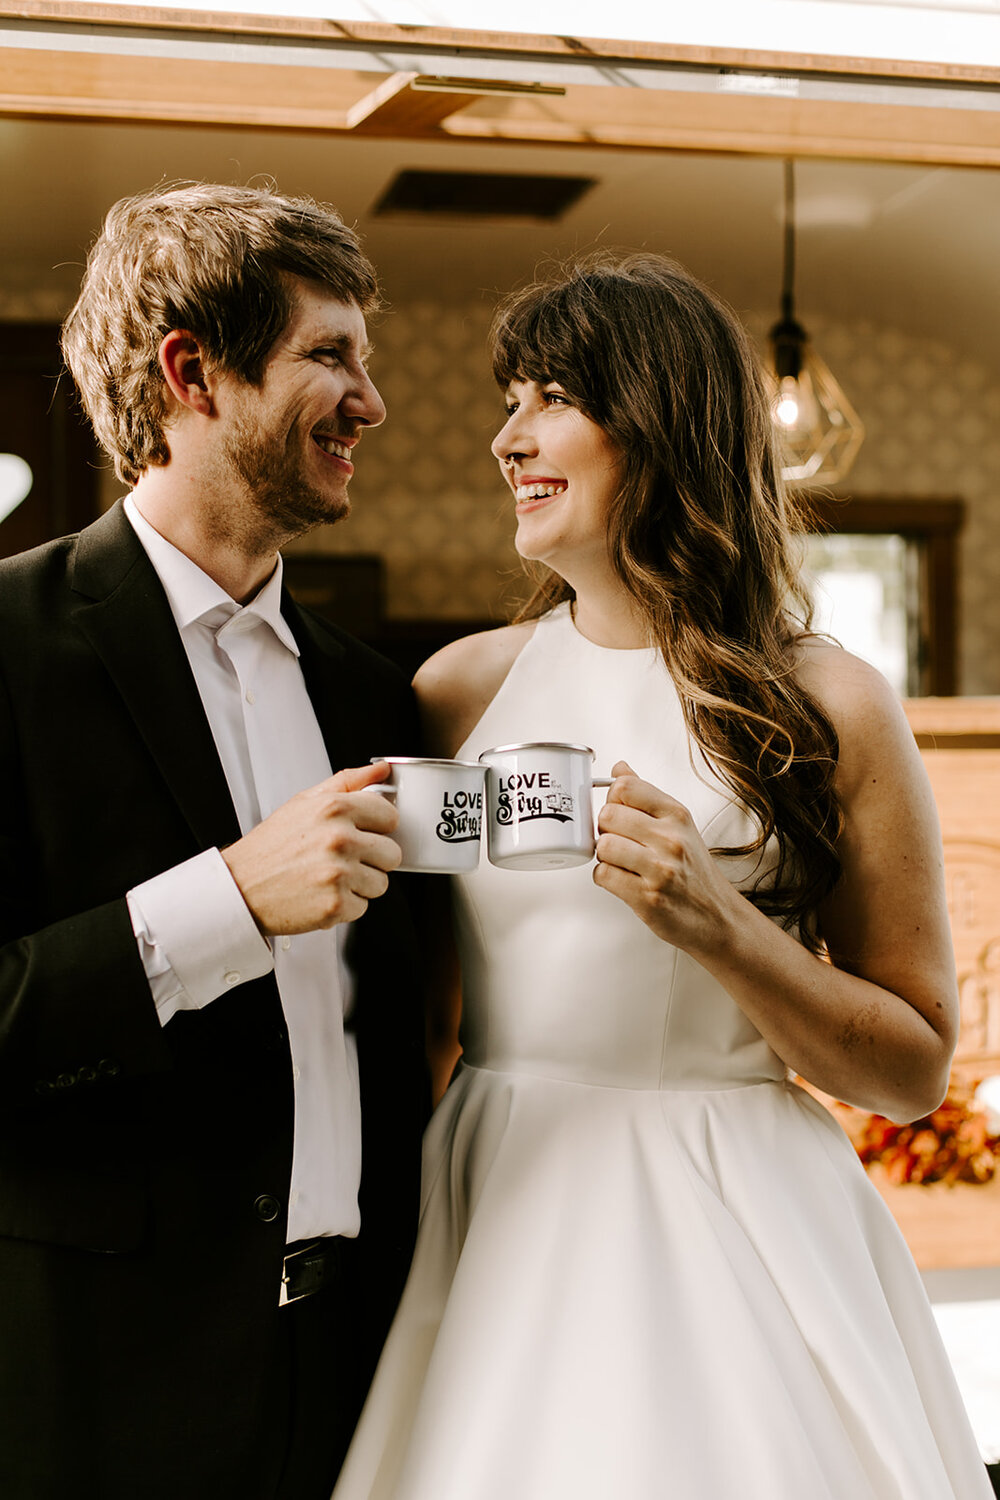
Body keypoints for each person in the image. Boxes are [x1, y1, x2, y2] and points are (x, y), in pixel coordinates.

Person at [331, 251, 992, 1499]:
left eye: (547, 399)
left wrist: (717, 924)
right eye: (506, 400)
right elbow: (419, 1017)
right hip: (500, 1200)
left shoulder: (830, 702)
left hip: (734, 1215)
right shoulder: (456, 692)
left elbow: (911, 1068)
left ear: (659, 425)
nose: (504, 437)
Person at [0, 182, 429, 1500]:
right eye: (328, 356)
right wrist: (228, 903)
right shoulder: (5, 649)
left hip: (369, 1367)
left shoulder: (376, 694)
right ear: (193, 371)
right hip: (100, 1391)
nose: (373, 402)